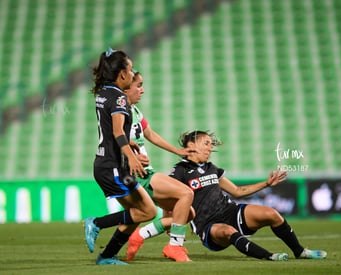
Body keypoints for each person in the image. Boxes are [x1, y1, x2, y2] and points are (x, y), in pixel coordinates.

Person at [128, 130, 327, 261]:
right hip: (207, 225)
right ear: (191, 144)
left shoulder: (212, 168)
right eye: (206, 143)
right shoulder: (179, 171)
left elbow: (238, 191)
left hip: (231, 211)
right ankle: (269, 257)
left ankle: (299, 251)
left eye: (210, 144)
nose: (210, 147)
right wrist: (171, 230)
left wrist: (266, 184)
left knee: (272, 214)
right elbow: (169, 202)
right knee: (229, 232)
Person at [83, 48, 157, 265]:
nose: (134, 75)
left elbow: (111, 131)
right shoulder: (119, 98)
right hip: (113, 167)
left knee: (142, 211)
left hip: (107, 164)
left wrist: (130, 144)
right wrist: (132, 157)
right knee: (147, 211)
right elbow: (116, 131)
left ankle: (106, 257)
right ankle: (96, 223)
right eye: (131, 70)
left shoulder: (103, 92)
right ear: (122, 74)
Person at [123, 72, 195, 262]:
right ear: (126, 88)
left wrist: (177, 151)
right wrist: (133, 155)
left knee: (187, 212)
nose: (142, 90)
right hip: (136, 173)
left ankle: (139, 236)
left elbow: (151, 134)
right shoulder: (119, 113)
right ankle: (175, 246)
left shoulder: (135, 112)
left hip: (146, 170)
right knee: (187, 194)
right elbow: (115, 140)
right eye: (138, 85)